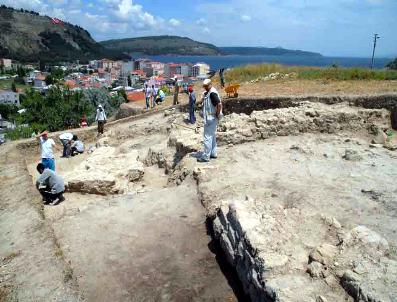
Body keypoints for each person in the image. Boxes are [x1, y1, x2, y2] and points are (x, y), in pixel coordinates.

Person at [198, 79, 222, 163]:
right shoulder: (209, 93)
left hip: (211, 118)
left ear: (210, 85)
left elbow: (219, 104)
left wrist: (217, 114)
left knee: (207, 137)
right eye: (204, 86)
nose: (205, 88)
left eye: (206, 86)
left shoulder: (212, 93)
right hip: (211, 117)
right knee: (212, 136)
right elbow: (205, 100)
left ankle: (205, 157)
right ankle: (213, 153)